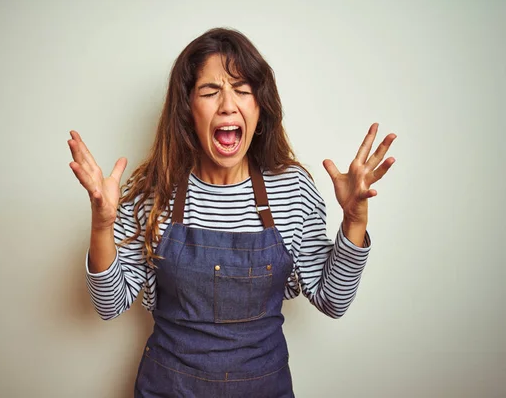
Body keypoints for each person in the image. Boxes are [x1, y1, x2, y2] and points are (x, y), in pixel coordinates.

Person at [67, 27, 396, 398]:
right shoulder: (152, 192)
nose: (227, 104)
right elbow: (109, 305)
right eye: (210, 91)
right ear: (188, 108)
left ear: (260, 107)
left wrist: (354, 221)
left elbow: (333, 301)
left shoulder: (292, 189)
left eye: (242, 90)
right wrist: (102, 226)